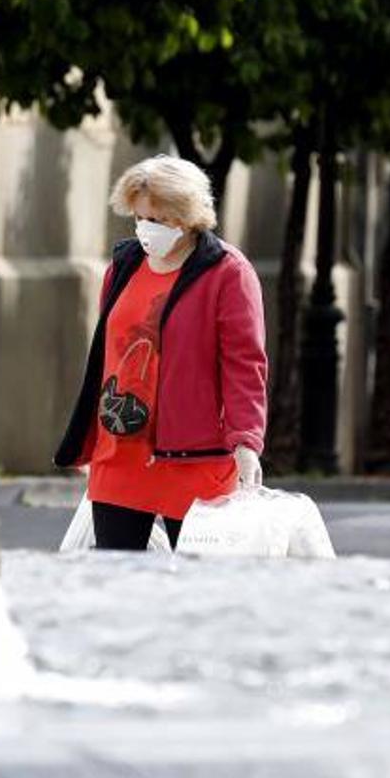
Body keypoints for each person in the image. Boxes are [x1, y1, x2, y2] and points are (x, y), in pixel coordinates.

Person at [54, 155, 267, 550]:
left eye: (157, 219)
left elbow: (244, 366)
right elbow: (108, 354)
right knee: (118, 584)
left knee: (193, 593)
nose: (144, 229)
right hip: (118, 455)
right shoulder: (124, 266)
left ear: (186, 216)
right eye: (138, 217)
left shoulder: (227, 273)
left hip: (192, 460)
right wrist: (88, 440)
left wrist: (246, 443)